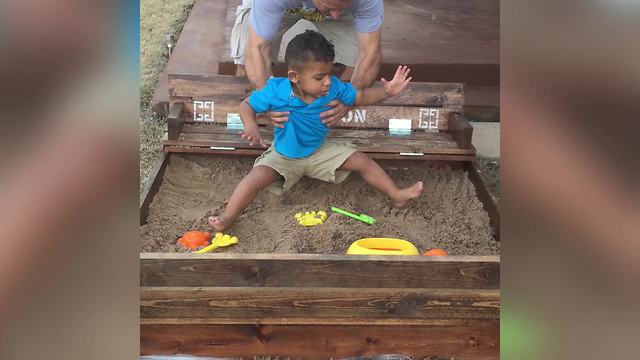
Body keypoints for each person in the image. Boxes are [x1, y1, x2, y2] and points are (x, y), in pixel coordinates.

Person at [209, 30, 422, 230]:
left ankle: (396, 194)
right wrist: (251, 126)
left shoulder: (334, 88)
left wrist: (386, 92)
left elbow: (360, 97)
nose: (328, 81)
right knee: (254, 178)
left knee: (361, 160)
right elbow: (246, 105)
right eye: (319, 77)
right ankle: (228, 217)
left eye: (329, 73)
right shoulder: (276, 90)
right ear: (294, 76)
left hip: (319, 152)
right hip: (283, 156)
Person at [230, 0, 384, 128]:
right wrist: (268, 101)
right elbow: (257, 47)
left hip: (337, 5)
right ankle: (247, 120)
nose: (336, 15)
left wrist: (350, 101)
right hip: (279, 4)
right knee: (246, 56)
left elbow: (370, 53)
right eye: (330, 6)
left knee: (356, 62)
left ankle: (327, 114)